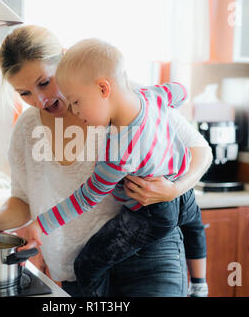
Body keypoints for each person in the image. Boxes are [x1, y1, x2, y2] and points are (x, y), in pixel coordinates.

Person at [0, 25, 213, 297]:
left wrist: (175, 188)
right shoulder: (26, 129)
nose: (40, 100)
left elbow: (201, 151)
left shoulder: (125, 100)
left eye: (44, 83)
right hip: (78, 271)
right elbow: (23, 200)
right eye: (25, 93)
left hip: (146, 260)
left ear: (65, 60)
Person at [25, 38, 208, 297]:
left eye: (76, 101)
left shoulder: (119, 152)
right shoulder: (151, 96)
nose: (75, 111)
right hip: (183, 193)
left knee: (86, 264)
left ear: (103, 88)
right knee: (195, 230)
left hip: (149, 214)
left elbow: (87, 197)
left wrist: (42, 224)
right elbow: (179, 91)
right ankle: (200, 287)